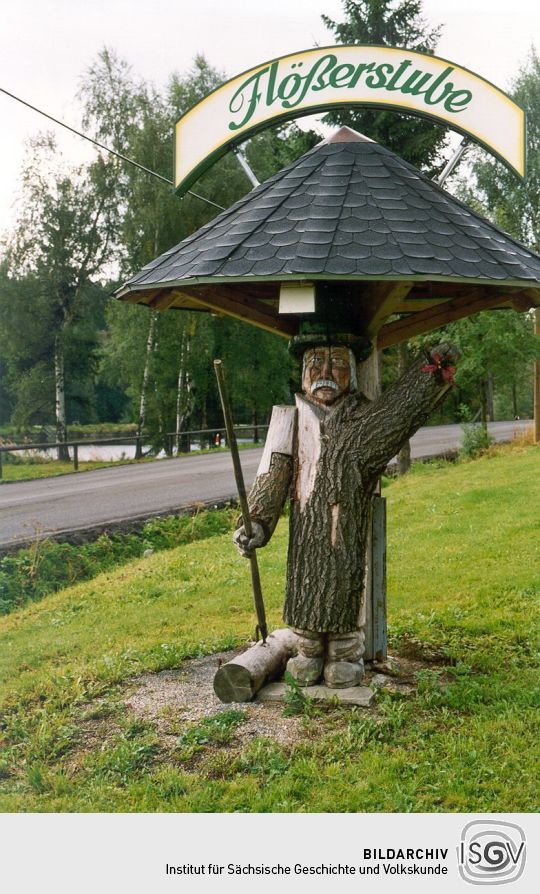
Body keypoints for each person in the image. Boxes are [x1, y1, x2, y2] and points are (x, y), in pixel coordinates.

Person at [234, 317, 458, 688]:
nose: (325, 372)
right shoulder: (289, 420)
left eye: (338, 363)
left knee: (343, 595)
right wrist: (256, 521)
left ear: (353, 372)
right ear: (302, 372)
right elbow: (271, 476)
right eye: (315, 364)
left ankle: (343, 651)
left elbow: (401, 415)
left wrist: (431, 372)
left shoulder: (364, 420)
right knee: (307, 600)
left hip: (346, 537)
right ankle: (307, 650)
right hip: (305, 539)